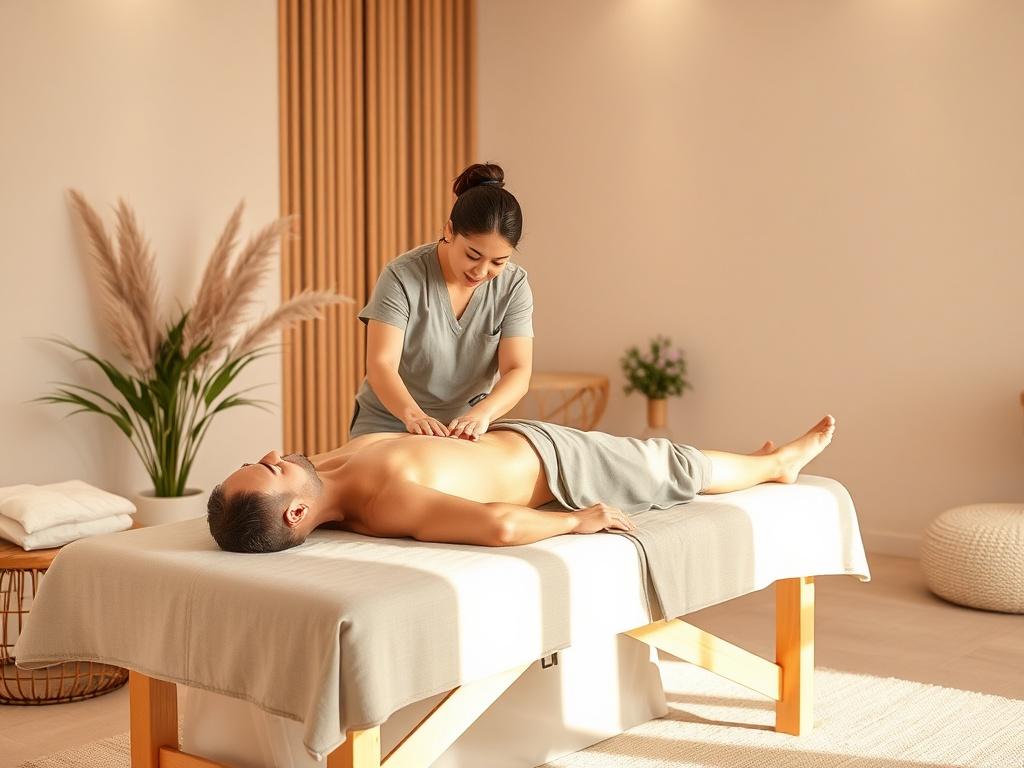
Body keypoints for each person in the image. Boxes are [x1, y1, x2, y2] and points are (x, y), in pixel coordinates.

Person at [207, 415, 837, 554]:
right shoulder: (383, 503)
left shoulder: (326, 469)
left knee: (669, 455)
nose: (273, 452)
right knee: (670, 462)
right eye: (270, 469)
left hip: (515, 431)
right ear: (295, 516)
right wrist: (577, 521)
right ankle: (773, 467)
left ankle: (753, 462)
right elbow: (499, 525)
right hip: (559, 467)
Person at [351, 162, 533, 441]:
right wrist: (414, 416)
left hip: (463, 428)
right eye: (473, 255)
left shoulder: (513, 285)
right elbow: (381, 364)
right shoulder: (402, 276)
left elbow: (517, 369)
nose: (481, 272)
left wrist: (482, 414)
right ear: (449, 231)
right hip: (391, 421)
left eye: (498, 261)